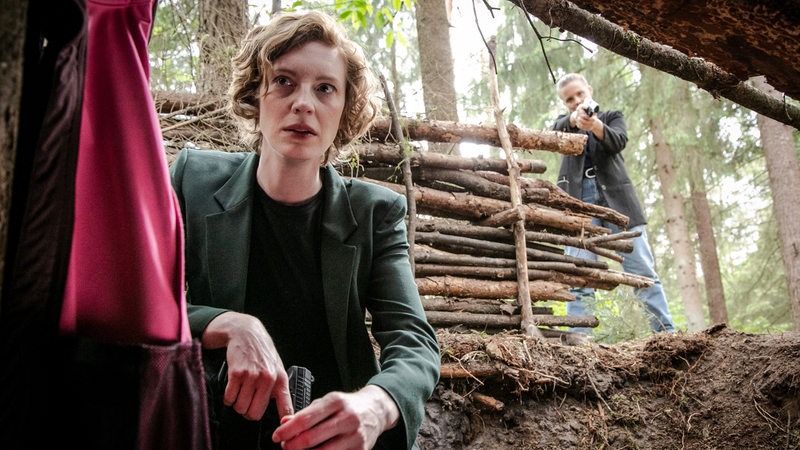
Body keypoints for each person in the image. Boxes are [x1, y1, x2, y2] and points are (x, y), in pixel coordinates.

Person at [169, 10, 440, 450]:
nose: (303, 103)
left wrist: (376, 403)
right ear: (255, 97)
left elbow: (413, 340)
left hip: (333, 438)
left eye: (325, 88)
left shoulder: (375, 213)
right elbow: (133, 300)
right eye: (284, 81)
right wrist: (227, 323)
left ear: (343, 112)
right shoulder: (192, 180)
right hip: (212, 427)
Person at [551, 73, 676, 335]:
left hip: (619, 203)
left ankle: (666, 335)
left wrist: (594, 125)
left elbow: (618, 141)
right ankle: (578, 344)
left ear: (589, 90)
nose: (576, 101)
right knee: (580, 276)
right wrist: (574, 121)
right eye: (569, 99)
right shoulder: (564, 124)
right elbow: (553, 135)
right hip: (578, 204)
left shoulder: (612, 116)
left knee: (643, 273)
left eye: (579, 95)